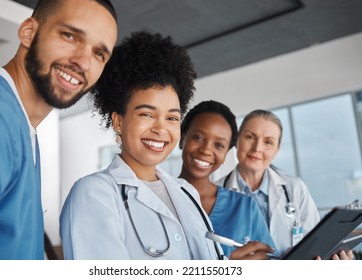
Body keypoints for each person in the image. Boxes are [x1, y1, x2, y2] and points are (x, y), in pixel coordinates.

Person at [60, 31, 271, 260]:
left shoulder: (185, 192)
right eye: (147, 114)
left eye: (172, 118)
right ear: (118, 121)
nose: (161, 129)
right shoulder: (94, 193)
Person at [0, 0, 118, 260]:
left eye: (99, 54)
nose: (83, 62)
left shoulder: (24, 128)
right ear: (29, 32)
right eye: (70, 36)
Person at [216, 109, 354, 260]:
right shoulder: (213, 193)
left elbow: (315, 244)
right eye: (250, 137)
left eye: (268, 142)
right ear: (237, 140)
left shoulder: (295, 188)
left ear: (276, 150)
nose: (257, 148)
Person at [178, 100, 277, 258]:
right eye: (198, 138)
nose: (206, 150)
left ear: (225, 154)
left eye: (219, 145)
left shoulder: (245, 207)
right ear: (182, 138)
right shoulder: (156, 200)